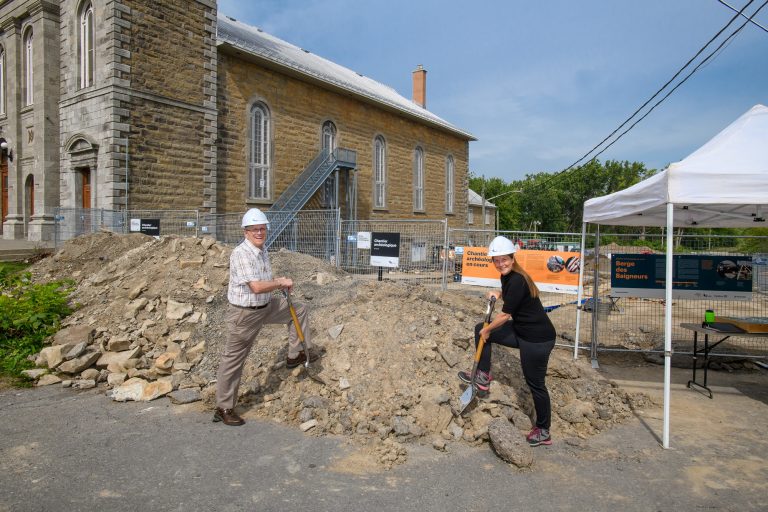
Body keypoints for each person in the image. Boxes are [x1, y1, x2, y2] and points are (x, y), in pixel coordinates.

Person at [213, 208, 318, 426]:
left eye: (262, 229)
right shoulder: (241, 254)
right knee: (234, 360)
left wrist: (278, 285)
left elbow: (265, 283)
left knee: (297, 309)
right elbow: (257, 286)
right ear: (246, 232)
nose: (260, 232)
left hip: (266, 306)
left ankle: (294, 355)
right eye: (255, 229)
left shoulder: (262, 250)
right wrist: (280, 282)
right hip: (245, 314)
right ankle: (223, 407)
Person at [458, 235, 557, 446]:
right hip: (523, 332)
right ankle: (483, 376)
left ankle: (543, 430)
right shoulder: (509, 277)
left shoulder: (519, 279)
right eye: (497, 260)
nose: (501, 263)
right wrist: (498, 293)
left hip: (537, 340)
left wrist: (488, 330)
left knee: (536, 384)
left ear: (513, 258)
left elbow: (504, 316)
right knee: (480, 328)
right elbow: (511, 294)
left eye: (505, 259)